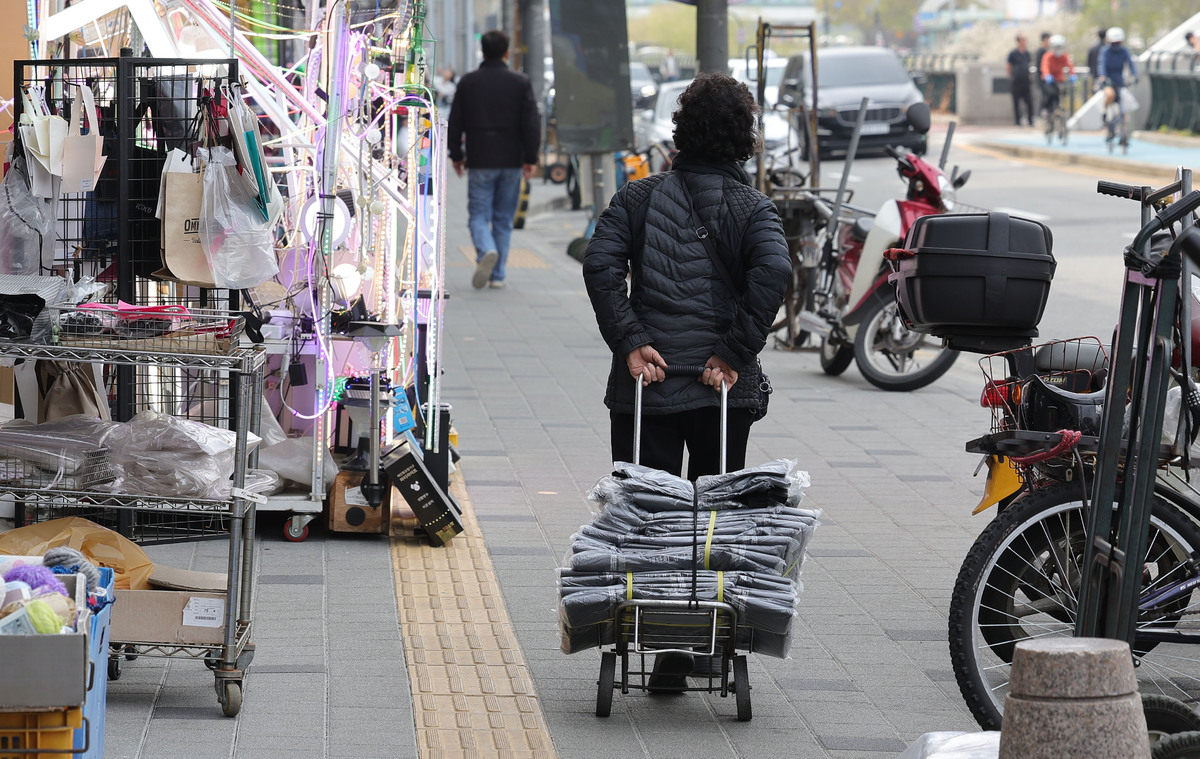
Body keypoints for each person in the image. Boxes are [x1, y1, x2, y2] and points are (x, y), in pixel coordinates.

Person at [582, 73, 789, 690]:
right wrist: (732, 351)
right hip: (721, 388)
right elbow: (773, 272)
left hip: (648, 386)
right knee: (716, 517)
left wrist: (630, 341)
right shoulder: (754, 209)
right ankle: (710, 639)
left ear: (681, 133)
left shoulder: (638, 198)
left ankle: (661, 641)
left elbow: (599, 264)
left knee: (648, 517)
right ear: (743, 139)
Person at [447, 30, 540, 290]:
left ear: (483, 51)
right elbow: (531, 122)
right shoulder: (520, 82)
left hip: (479, 159)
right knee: (502, 219)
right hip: (512, 160)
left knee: (478, 215)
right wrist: (531, 157)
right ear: (507, 52)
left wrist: (456, 154)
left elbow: (455, 121)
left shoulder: (468, 82)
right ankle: (498, 275)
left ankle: (486, 250)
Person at [1097, 25, 1136, 128]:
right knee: (1110, 95)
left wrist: (1134, 75)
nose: (1116, 45)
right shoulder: (1105, 51)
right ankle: (1104, 111)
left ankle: (1123, 131)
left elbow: (1131, 63)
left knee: (1124, 103)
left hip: (1119, 80)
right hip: (1108, 80)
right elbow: (1102, 64)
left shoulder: (1124, 51)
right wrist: (1103, 76)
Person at [1039, 34, 1075, 120]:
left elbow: (1070, 65)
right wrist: (1047, 75)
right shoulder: (1048, 56)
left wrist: (1072, 74)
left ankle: (1058, 110)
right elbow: (1045, 66)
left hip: (1059, 79)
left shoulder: (1064, 56)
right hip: (1049, 80)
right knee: (1051, 93)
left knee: (1061, 93)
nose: (1058, 49)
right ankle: (1046, 110)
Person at [1006, 34, 1034, 126]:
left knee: (1029, 102)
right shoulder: (1013, 53)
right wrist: (1012, 76)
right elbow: (1008, 66)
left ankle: (1030, 120)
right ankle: (1017, 121)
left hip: (1026, 81)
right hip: (1016, 81)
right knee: (1016, 103)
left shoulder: (1027, 53)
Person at [1033, 32, 1052, 116]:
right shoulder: (1041, 51)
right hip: (1042, 78)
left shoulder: (1046, 51)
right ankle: (1042, 114)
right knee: (1045, 96)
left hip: (1047, 78)